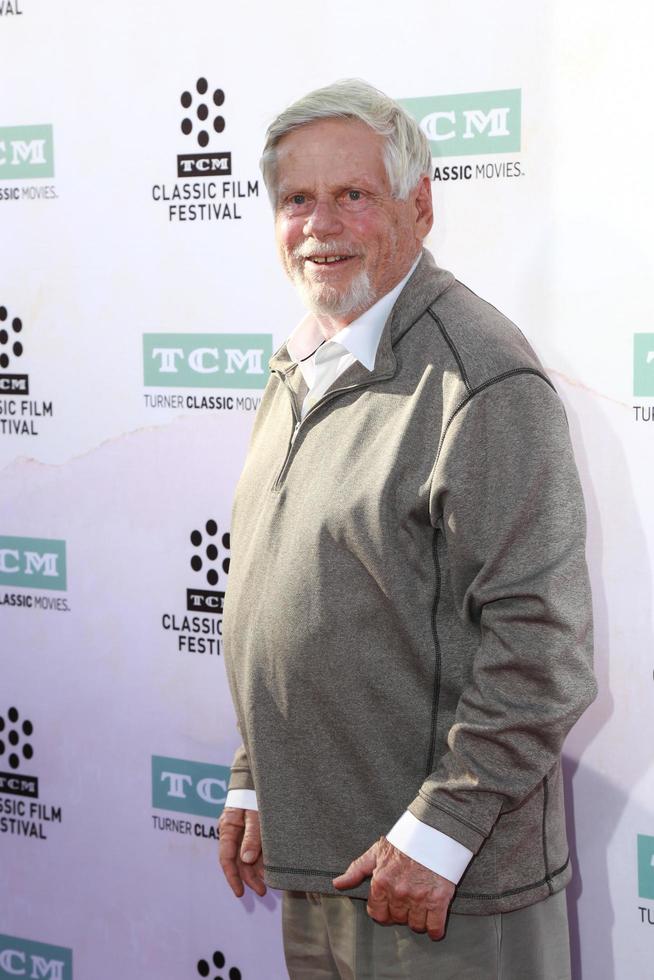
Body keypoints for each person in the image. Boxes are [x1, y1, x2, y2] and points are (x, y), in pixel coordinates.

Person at [218, 79, 596, 979]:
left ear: (418, 207)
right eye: (296, 200)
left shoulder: (481, 378)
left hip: (440, 891)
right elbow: (288, 597)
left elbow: (543, 646)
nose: (320, 224)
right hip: (320, 864)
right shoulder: (299, 363)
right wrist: (259, 774)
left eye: (353, 194)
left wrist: (442, 833)